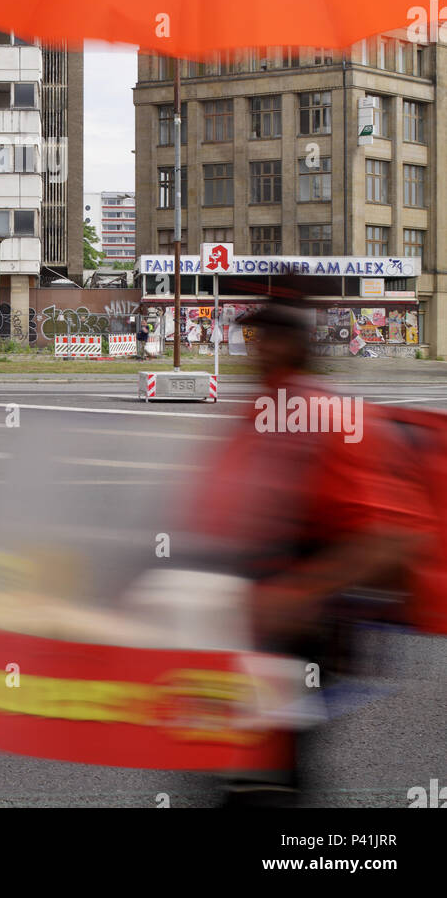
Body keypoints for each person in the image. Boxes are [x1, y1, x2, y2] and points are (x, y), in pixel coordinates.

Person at [184, 286, 432, 806]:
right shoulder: (255, 414)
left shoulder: (332, 421)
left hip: (298, 637)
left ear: (297, 344)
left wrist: (299, 594)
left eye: (271, 338)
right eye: (256, 337)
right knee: (224, 761)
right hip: (236, 631)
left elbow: (394, 537)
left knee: (263, 775)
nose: (258, 349)